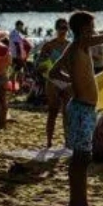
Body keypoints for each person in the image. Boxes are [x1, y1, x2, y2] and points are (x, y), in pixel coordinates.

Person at [48, 10, 103, 206]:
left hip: (82, 107)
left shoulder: (72, 47)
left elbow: (53, 73)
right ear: (84, 29)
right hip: (82, 108)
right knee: (81, 159)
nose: (93, 30)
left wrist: (72, 83)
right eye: (91, 26)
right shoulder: (81, 44)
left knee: (80, 159)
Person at [39, 18, 72, 148]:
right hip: (53, 80)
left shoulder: (70, 45)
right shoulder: (49, 45)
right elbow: (40, 63)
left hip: (67, 80)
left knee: (67, 113)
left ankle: (67, 141)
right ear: (56, 29)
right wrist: (44, 67)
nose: (63, 31)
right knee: (52, 111)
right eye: (61, 28)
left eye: (65, 28)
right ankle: (49, 141)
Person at [8, 20, 30, 89]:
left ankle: (14, 87)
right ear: (18, 25)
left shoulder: (13, 33)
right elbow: (17, 45)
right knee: (19, 71)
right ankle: (18, 87)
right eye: (21, 26)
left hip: (13, 54)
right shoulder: (16, 34)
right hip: (17, 55)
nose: (22, 27)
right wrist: (19, 56)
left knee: (16, 70)